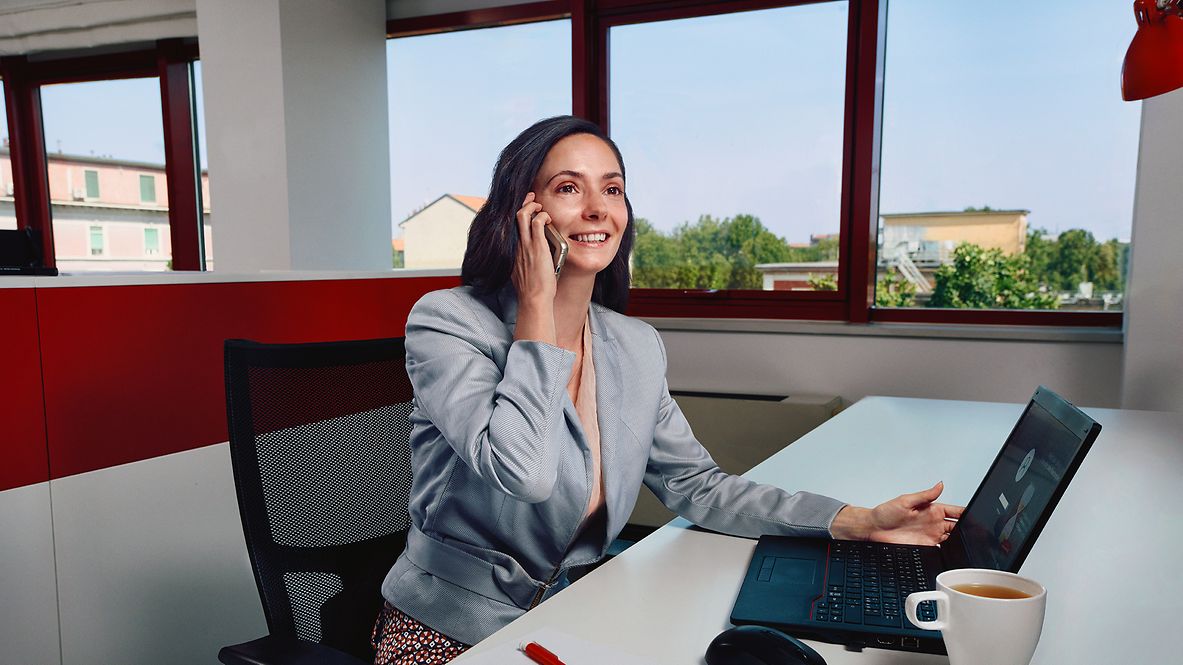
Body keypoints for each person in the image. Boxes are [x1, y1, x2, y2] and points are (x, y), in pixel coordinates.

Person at [372, 116, 962, 665]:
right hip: (450, 632)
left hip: (571, 615)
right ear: (522, 213)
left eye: (613, 188)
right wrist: (536, 303)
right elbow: (526, 473)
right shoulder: (448, 323)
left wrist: (857, 521)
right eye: (569, 188)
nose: (598, 209)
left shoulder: (633, 345)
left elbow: (696, 486)